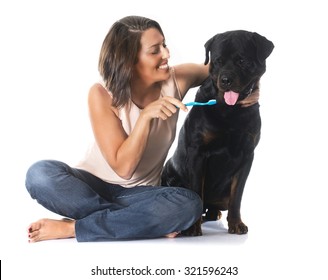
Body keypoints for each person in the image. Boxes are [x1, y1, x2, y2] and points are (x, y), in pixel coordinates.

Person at [25, 15, 259, 242]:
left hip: (143, 196)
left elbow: (221, 69)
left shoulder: (177, 79)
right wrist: (146, 116)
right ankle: (137, 223)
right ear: (129, 59)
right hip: (90, 186)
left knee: (189, 205)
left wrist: (251, 89)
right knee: (39, 174)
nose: (167, 54)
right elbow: (124, 169)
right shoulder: (102, 94)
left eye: (165, 45)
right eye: (155, 50)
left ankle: (76, 227)